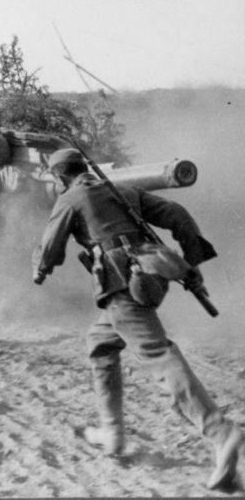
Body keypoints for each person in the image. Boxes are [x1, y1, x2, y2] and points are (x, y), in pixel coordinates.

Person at [32, 148, 241, 491]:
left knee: (159, 355)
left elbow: (50, 245)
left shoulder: (70, 198)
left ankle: (221, 433)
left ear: (59, 177)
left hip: (119, 284)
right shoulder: (121, 189)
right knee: (101, 344)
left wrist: (39, 271)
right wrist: (191, 262)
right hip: (150, 276)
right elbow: (177, 214)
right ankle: (112, 433)